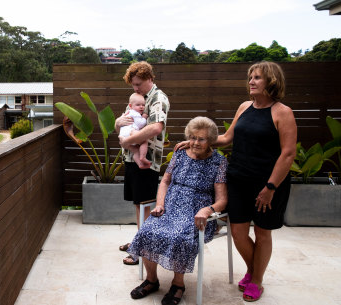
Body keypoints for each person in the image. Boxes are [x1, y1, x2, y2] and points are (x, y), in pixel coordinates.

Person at [175, 61, 297, 302]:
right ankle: (255, 271)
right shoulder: (244, 107)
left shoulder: (283, 112)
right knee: (238, 232)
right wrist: (196, 141)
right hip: (238, 180)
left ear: (271, 81)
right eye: (250, 77)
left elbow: (288, 154)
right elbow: (226, 138)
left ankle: (257, 281)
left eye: (257, 77)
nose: (251, 81)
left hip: (268, 184)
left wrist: (270, 188)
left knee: (262, 234)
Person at [127, 116, 228, 304]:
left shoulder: (219, 162)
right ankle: (151, 280)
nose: (196, 142)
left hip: (196, 214)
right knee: (147, 231)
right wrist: (159, 204)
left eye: (201, 139)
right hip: (170, 207)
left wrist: (208, 210)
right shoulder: (180, 154)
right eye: (193, 137)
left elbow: (222, 199)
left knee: (181, 239)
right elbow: (165, 181)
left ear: (211, 140)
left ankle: (178, 285)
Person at [115, 61, 170, 265]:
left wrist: (128, 140)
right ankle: (139, 241)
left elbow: (156, 127)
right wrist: (117, 123)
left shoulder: (158, 98)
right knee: (138, 204)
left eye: (138, 84)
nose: (135, 88)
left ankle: (142, 251)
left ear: (150, 79)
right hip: (131, 159)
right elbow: (122, 121)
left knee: (146, 206)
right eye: (133, 85)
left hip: (146, 163)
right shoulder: (138, 98)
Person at [118, 93, 150, 169]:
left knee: (135, 150)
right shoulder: (135, 113)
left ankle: (140, 164)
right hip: (130, 132)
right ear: (130, 106)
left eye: (143, 105)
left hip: (123, 136)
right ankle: (142, 157)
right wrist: (144, 117)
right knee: (144, 141)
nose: (141, 107)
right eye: (138, 105)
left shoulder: (127, 113)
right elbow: (140, 124)